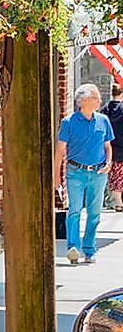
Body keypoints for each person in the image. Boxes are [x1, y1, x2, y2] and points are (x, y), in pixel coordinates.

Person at [63, 85, 114, 264]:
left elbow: (108, 147)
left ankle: (89, 249)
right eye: (97, 98)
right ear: (85, 101)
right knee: (74, 210)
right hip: (75, 172)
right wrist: (56, 178)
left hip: (98, 173)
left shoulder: (103, 120)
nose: (100, 101)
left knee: (95, 213)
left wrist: (108, 163)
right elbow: (60, 150)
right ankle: (73, 247)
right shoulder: (68, 122)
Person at [100, 89, 123, 210]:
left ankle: (111, 201)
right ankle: (118, 203)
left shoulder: (104, 109)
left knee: (111, 176)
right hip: (121, 148)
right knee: (119, 176)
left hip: (107, 148)